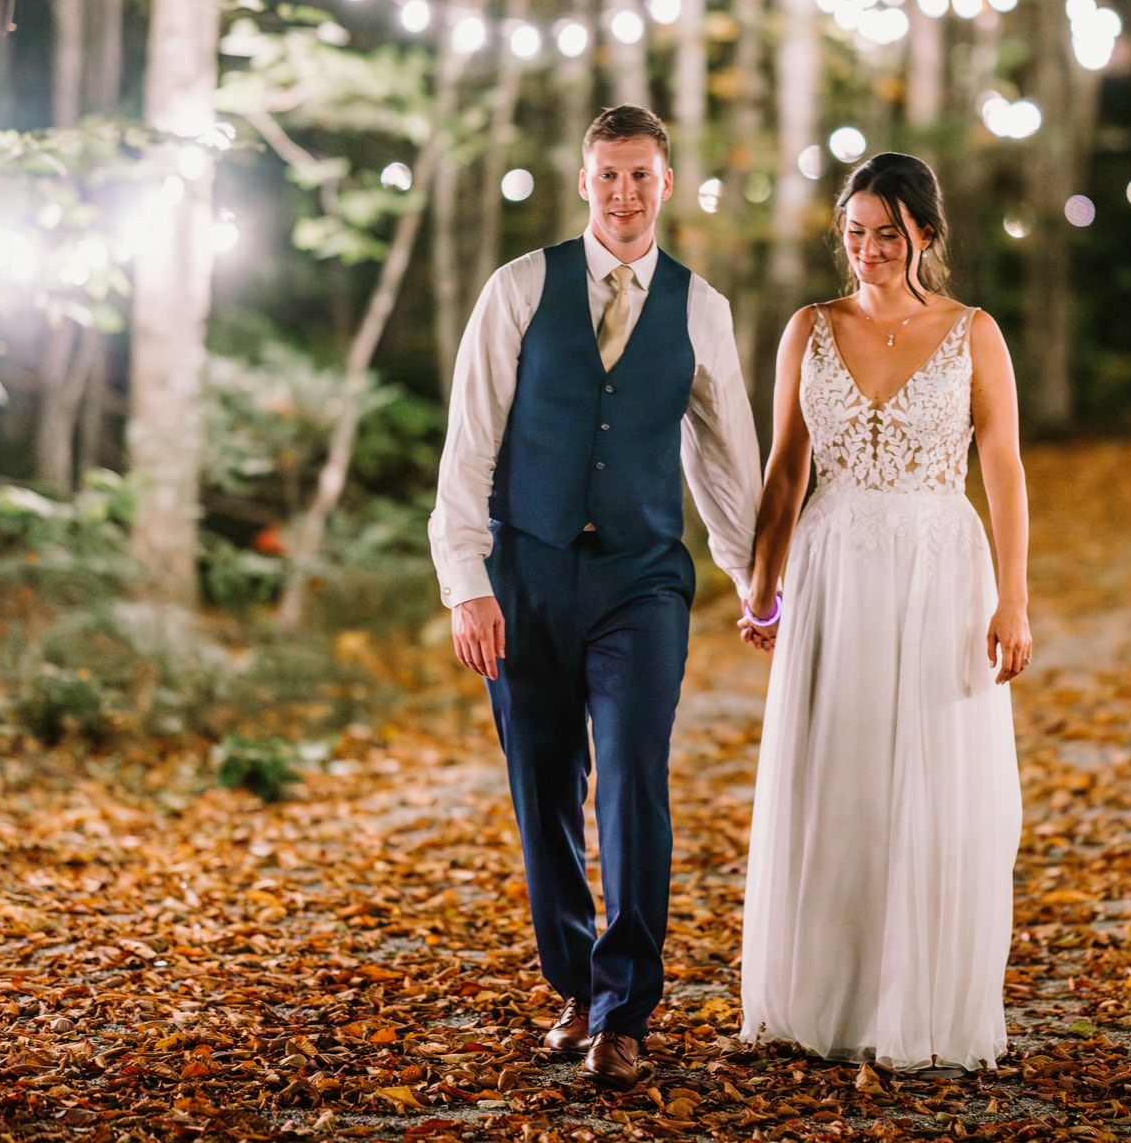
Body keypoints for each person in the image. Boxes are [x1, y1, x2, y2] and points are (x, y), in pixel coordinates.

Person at [427, 105, 762, 1089]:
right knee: (543, 791)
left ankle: (625, 1006)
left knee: (630, 778)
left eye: (641, 177)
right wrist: (466, 583)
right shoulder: (519, 287)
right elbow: (471, 443)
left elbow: (727, 457)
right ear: (584, 181)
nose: (624, 195)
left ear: (668, 184)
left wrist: (758, 581)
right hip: (526, 576)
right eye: (608, 175)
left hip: (642, 579)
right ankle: (574, 982)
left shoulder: (702, 308)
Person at [736, 151, 1030, 1074]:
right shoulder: (808, 328)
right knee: (840, 773)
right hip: (832, 566)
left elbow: (1005, 469)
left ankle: (921, 1000)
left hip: (941, 567)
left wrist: (1014, 599)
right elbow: (787, 466)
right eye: (855, 233)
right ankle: (829, 993)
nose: (867, 251)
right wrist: (761, 580)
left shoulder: (974, 331)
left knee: (929, 779)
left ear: (925, 237)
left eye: (887, 235)